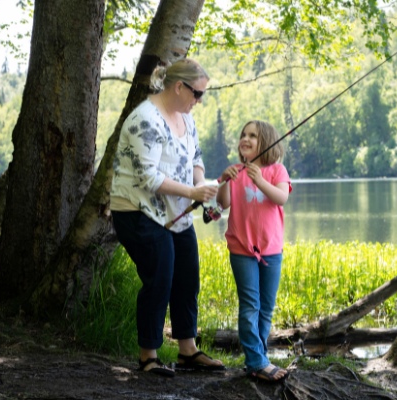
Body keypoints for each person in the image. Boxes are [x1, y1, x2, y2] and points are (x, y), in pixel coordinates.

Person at [110, 58, 225, 377]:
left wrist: (200, 184)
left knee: (188, 274)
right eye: (197, 94)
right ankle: (148, 355)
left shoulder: (186, 118)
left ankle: (188, 350)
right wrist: (192, 193)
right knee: (160, 274)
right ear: (179, 87)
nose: (199, 101)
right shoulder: (144, 119)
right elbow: (147, 177)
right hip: (136, 210)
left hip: (174, 211)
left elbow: (196, 158)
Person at [217, 120, 292, 383]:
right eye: (243, 135)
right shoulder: (236, 172)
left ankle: (257, 357)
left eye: (253, 136)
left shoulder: (276, 170)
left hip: (271, 250)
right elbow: (223, 203)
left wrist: (259, 180)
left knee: (266, 307)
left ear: (267, 142)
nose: (245, 139)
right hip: (242, 249)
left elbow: (281, 197)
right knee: (250, 304)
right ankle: (257, 360)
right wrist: (225, 181)